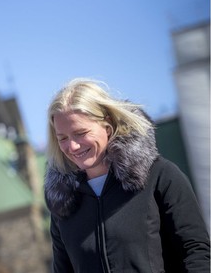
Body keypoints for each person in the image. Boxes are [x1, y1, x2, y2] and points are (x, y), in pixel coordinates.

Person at [44, 78, 210, 273]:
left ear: (107, 126)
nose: (72, 146)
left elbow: (197, 254)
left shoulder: (160, 176)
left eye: (81, 133)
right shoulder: (64, 204)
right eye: (62, 138)